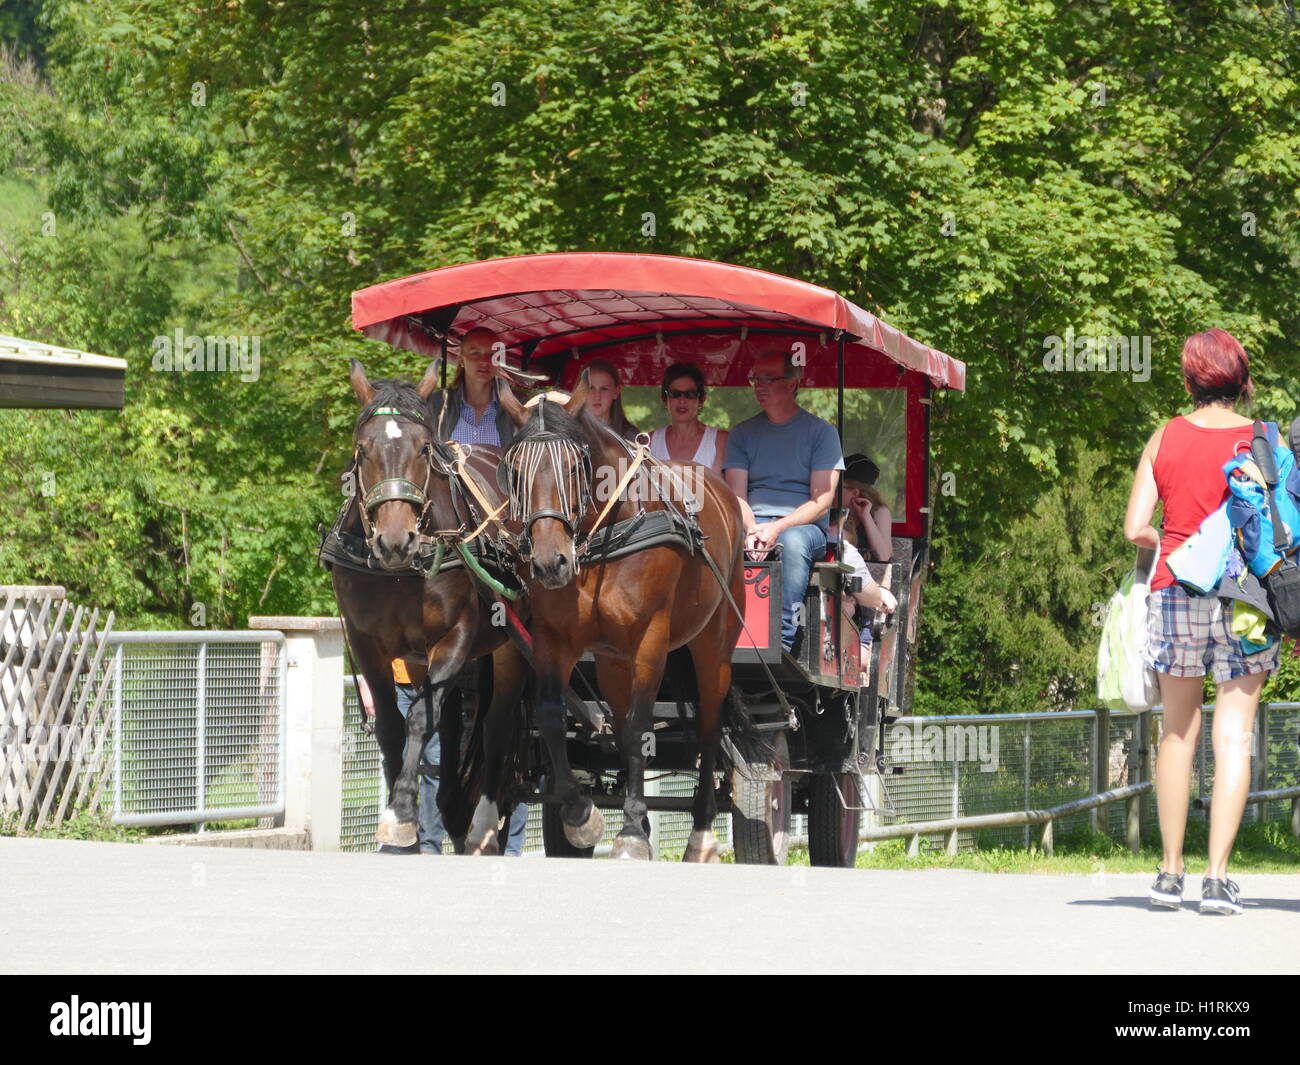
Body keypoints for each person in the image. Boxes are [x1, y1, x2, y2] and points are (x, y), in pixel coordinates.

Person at [1124, 328, 1277, 915]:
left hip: (1177, 588)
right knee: (1234, 735)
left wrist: (1169, 543)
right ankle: (1217, 880)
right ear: (1240, 380)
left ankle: (1169, 875)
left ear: (1190, 379)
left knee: (1176, 734)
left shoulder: (1165, 436)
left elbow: (1136, 526)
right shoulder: (1262, 440)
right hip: (1248, 598)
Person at [723, 349, 843, 652]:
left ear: (791, 385)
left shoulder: (822, 433)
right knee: (712, 537)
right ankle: (714, 636)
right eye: (754, 379)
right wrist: (752, 529)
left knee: (792, 542)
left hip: (803, 527)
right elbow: (736, 494)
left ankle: (782, 643)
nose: (758, 386)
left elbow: (822, 500)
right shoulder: (741, 433)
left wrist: (775, 529)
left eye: (767, 379)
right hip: (752, 522)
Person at [428, 326, 517, 447]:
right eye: (475, 353)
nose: (485, 361)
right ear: (461, 359)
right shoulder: (437, 404)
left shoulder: (516, 408)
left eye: (491, 355)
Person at [647, 362, 728, 476]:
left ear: (702, 400)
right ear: (665, 399)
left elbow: (726, 492)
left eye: (690, 394)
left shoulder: (720, 441)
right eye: (675, 394)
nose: (682, 400)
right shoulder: (649, 442)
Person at [581, 357, 639, 441]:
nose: (597, 396)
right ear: (580, 390)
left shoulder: (630, 436)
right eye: (591, 388)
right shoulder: (568, 432)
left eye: (604, 389)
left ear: (616, 392)